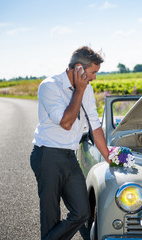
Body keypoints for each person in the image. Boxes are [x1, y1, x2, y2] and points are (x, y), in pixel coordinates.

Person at [30, 46, 111, 240]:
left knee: (83, 211)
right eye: (92, 73)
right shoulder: (50, 86)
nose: (94, 78)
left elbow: (95, 125)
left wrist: (110, 157)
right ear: (78, 69)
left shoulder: (87, 89)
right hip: (47, 155)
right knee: (50, 216)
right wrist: (79, 91)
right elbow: (66, 122)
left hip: (69, 156)